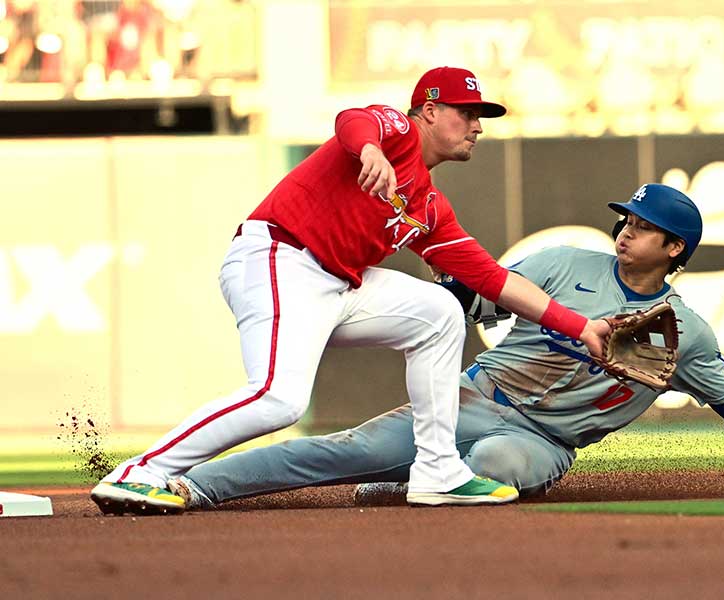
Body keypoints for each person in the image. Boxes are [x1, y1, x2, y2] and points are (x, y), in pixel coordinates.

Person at [163, 183, 724, 511]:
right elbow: (467, 300)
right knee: (335, 450)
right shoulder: (562, 265)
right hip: (475, 395)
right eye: (625, 219)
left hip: (543, 441)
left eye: (641, 226)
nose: (624, 229)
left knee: (496, 467)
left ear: (674, 248)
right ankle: (188, 485)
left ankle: (413, 484)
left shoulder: (687, 332)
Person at [90, 66, 612, 515]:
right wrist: (370, 150)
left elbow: (493, 280)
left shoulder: (429, 207)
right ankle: (140, 470)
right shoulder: (395, 132)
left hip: (336, 284)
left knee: (439, 312)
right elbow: (352, 120)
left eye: (481, 117)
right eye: (466, 111)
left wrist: (581, 325)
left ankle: (436, 472)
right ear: (428, 110)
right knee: (279, 399)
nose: (477, 126)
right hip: (279, 256)